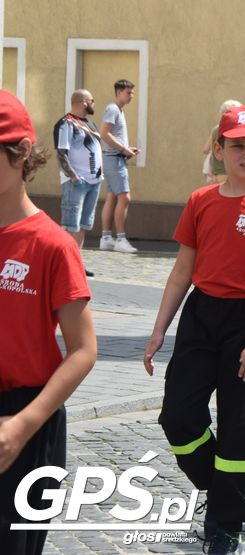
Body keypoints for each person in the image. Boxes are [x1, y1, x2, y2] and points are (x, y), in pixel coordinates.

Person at [143, 106, 245, 554]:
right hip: (201, 316)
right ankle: (222, 492)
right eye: (238, 146)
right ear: (220, 149)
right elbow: (181, 272)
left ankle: (225, 524)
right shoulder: (201, 201)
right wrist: (159, 329)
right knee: (177, 415)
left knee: (240, 428)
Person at [0, 91, 97, 555]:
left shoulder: (52, 245)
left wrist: (22, 425)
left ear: (20, 155)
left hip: (28, 420)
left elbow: (83, 350)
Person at [54, 89, 103, 277]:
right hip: (77, 182)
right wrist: (73, 175)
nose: (93, 103)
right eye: (92, 100)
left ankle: (76, 264)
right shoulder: (67, 123)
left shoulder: (89, 123)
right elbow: (61, 152)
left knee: (83, 225)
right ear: (83, 102)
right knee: (69, 226)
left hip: (94, 181)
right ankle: (61, 265)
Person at [98, 79, 140, 253]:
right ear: (119, 92)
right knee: (125, 198)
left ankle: (106, 238)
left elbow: (111, 136)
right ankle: (121, 239)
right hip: (113, 159)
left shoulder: (117, 110)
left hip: (114, 157)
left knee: (112, 197)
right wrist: (123, 148)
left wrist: (126, 149)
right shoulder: (113, 109)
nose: (131, 96)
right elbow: (104, 133)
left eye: (132, 92)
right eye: (128, 92)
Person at [202, 100, 242, 184]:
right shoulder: (235, 131)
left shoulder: (216, 129)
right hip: (229, 177)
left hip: (216, 176)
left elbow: (205, 149)